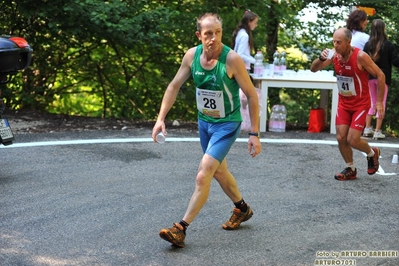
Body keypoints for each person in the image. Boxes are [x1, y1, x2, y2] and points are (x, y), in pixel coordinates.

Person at [152, 13, 262, 248]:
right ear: (199, 35)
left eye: (218, 32)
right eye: (208, 33)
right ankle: (242, 209)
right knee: (220, 172)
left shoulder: (231, 59)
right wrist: (160, 119)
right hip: (205, 124)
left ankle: (180, 228)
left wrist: (254, 134)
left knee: (204, 174)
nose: (214, 38)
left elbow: (252, 95)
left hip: (227, 124)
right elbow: (173, 86)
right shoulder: (192, 56)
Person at [310, 27, 385, 181]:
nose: (335, 45)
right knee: (340, 137)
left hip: (360, 104)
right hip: (344, 103)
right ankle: (350, 168)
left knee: (352, 139)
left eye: (339, 42)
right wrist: (321, 58)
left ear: (348, 42)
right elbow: (314, 69)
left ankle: (372, 153)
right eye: (334, 42)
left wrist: (379, 102)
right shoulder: (333, 54)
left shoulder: (360, 56)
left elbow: (380, 74)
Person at [363, 19, 399, 139]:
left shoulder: (368, 45)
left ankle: (367, 129)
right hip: (383, 79)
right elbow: (395, 61)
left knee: (371, 103)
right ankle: (377, 131)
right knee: (381, 103)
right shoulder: (388, 45)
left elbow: (361, 61)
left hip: (370, 78)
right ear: (383, 29)